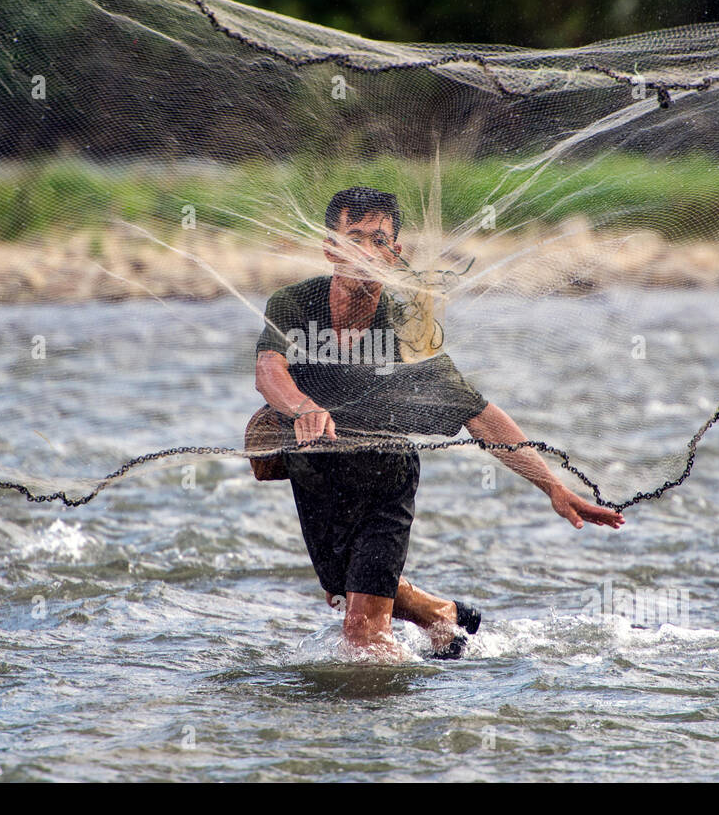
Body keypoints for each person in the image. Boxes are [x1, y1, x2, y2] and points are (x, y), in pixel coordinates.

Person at [255, 186, 624, 661]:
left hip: (384, 478)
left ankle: (381, 724)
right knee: (345, 588)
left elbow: (481, 416)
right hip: (317, 476)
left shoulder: (410, 331)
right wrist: (303, 407)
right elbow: (268, 370)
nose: (366, 252)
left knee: (363, 636)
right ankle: (443, 616)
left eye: (379, 240)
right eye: (353, 238)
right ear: (330, 245)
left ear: (395, 253)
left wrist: (552, 486)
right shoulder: (293, 304)